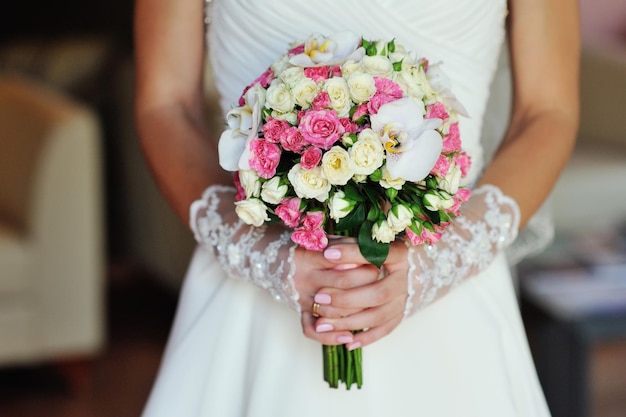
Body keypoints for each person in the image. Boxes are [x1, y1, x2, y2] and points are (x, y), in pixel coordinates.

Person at [134, 0, 579, 416]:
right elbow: (165, 102)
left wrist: (438, 262)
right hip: (247, 304)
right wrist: (260, 254)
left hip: (451, 306)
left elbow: (546, 111)